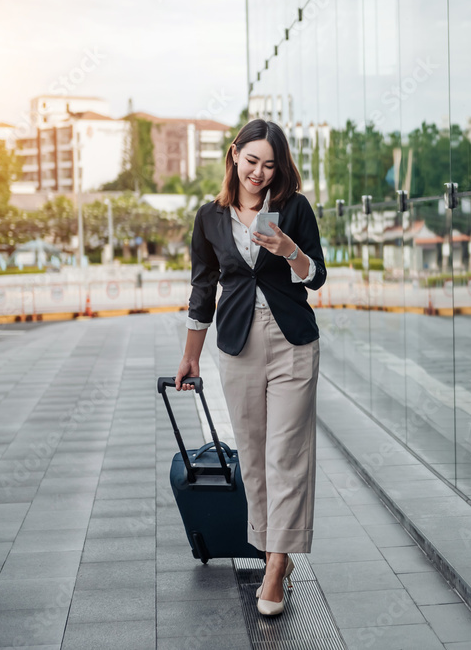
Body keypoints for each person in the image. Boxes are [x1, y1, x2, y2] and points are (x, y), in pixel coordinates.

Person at [175, 119, 327, 616]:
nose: (259, 173)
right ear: (234, 155)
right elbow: (203, 289)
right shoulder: (211, 217)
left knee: (287, 454)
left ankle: (278, 565)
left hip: (292, 341)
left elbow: (316, 277)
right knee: (256, 456)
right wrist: (191, 354)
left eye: (270, 164)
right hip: (237, 344)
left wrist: (290, 251)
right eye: (252, 161)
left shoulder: (294, 209)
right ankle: (266, 546)